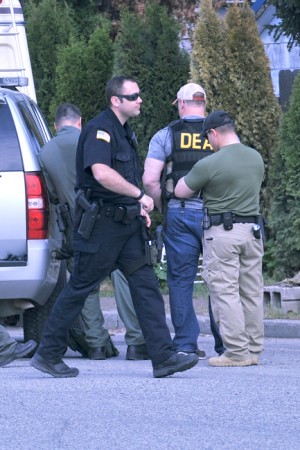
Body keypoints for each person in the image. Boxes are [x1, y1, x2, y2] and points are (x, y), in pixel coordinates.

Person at [30, 75, 199, 378]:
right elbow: (102, 174)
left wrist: (137, 208)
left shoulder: (123, 131)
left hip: (126, 224)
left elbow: (124, 178)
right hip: (102, 227)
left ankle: (163, 357)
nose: (140, 100)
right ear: (115, 101)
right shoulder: (99, 130)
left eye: (139, 95)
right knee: (79, 287)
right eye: (133, 96)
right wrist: (140, 196)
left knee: (146, 286)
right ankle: (48, 353)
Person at [38, 103, 148, 361]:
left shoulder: (45, 151)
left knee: (84, 283)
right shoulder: (94, 139)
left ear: (56, 125)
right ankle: (135, 341)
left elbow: (51, 195)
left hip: (78, 224)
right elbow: (118, 176)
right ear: (80, 122)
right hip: (114, 218)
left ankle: (97, 344)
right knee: (126, 275)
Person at [175, 110, 265, 367]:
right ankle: (253, 348)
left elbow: (182, 190)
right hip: (253, 232)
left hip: (223, 233)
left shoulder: (210, 163)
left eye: (207, 138)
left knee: (225, 291)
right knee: (251, 291)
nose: (208, 143)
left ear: (213, 133)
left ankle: (236, 351)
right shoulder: (255, 157)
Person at [143, 82, 225, 357]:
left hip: (179, 210)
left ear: (181, 103)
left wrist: (164, 206)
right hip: (214, 211)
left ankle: (186, 344)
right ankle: (225, 343)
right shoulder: (219, 134)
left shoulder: (166, 135)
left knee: (180, 279)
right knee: (219, 278)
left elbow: (150, 180)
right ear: (203, 104)